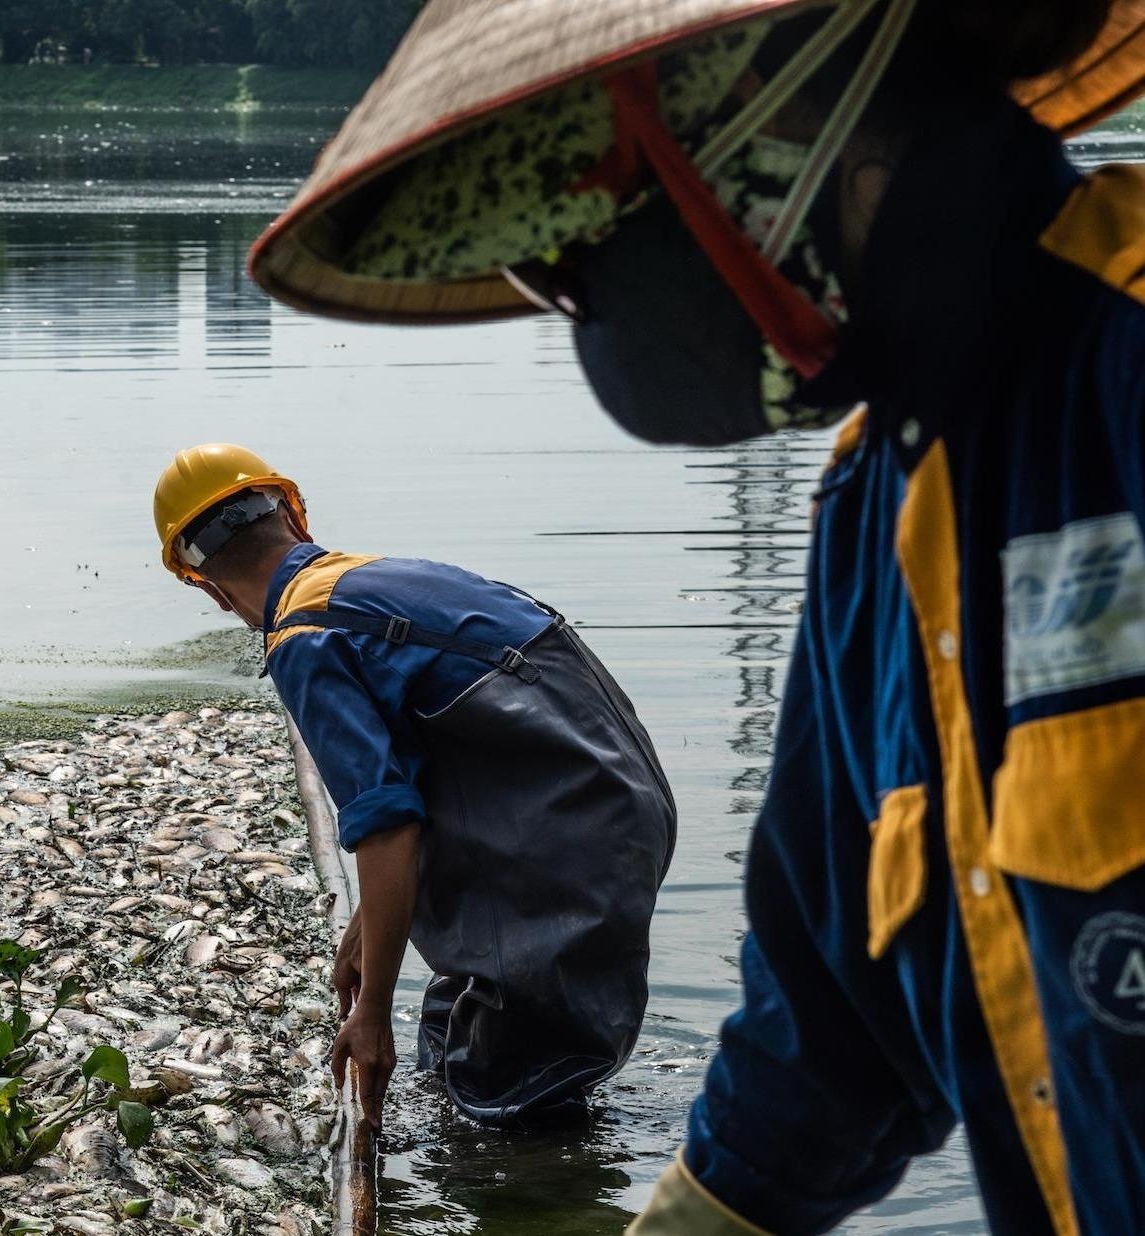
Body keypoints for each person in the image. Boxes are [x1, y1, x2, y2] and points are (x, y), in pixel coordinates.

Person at [248, 0, 1145, 1230]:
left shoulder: (1124, 374)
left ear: (780, 109)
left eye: (598, 222)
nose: (588, 292)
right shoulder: (877, 512)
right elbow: (830, 1036)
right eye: (547, 265)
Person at [153, 443, 677, 1130]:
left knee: (520, 1102)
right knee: (466, 1032)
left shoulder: (304, 637)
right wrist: (366, 930)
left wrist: (372, 1014)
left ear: (209, 588)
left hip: (563, 831)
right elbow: (429, 765)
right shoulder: (376, 578)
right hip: (612, 798)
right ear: (292, 517)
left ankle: (541, 1180)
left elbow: (388, 824)